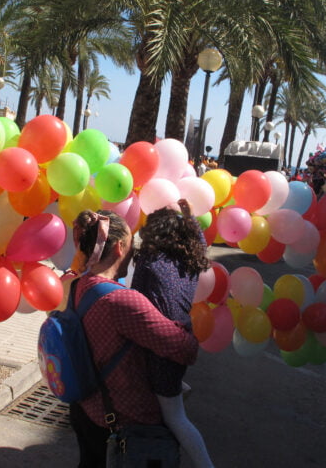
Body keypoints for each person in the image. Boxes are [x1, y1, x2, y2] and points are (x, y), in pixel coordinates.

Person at [68, 210, 199, 468]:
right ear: (119, 248)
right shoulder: (122, 300)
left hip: (85, 411)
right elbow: (185, 350)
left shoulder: (78, 286)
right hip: (122, 424)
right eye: (131, 245)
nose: (134, 252)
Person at [131, 199, 214, 468]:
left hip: (160, 344)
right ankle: (177, 389)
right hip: (182, 337)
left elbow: (136, 300)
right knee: (169, 399)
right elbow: (199, 240)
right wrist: (189, 217)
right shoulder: (189, 258)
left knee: (175, 418)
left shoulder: (148, 260)